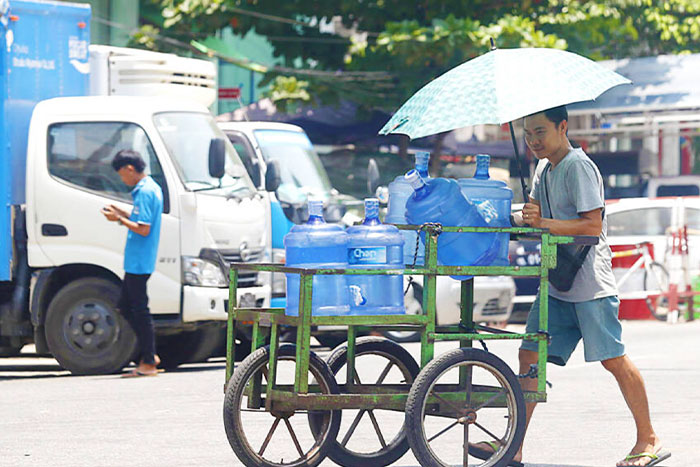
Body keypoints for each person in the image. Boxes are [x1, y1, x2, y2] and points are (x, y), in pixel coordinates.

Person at [474, 106, 669, 467]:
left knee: (613, 360)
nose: (532, 141)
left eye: (540, 132)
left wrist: (543, 221)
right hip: (556, 284)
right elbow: (534, 216)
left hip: (590, 284)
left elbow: (591, 226)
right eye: (528, 134)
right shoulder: (542, 167)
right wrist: (515, 215)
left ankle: (648, 438)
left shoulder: (579, 166)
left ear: (563, 127)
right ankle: (513, 444)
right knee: (529, 355)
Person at [101, 149, 163, 377]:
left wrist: (118, 219)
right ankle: (149, 355)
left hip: (139, 260)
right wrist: (121, 211)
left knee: (138, 310)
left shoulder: (144, 192)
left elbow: (143, 228)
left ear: (129, 169)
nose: (122, 180)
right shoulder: (151, 188)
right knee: (126, 306)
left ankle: (148, 361)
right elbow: (139, 216)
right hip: (138, 260)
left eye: (122, 175)